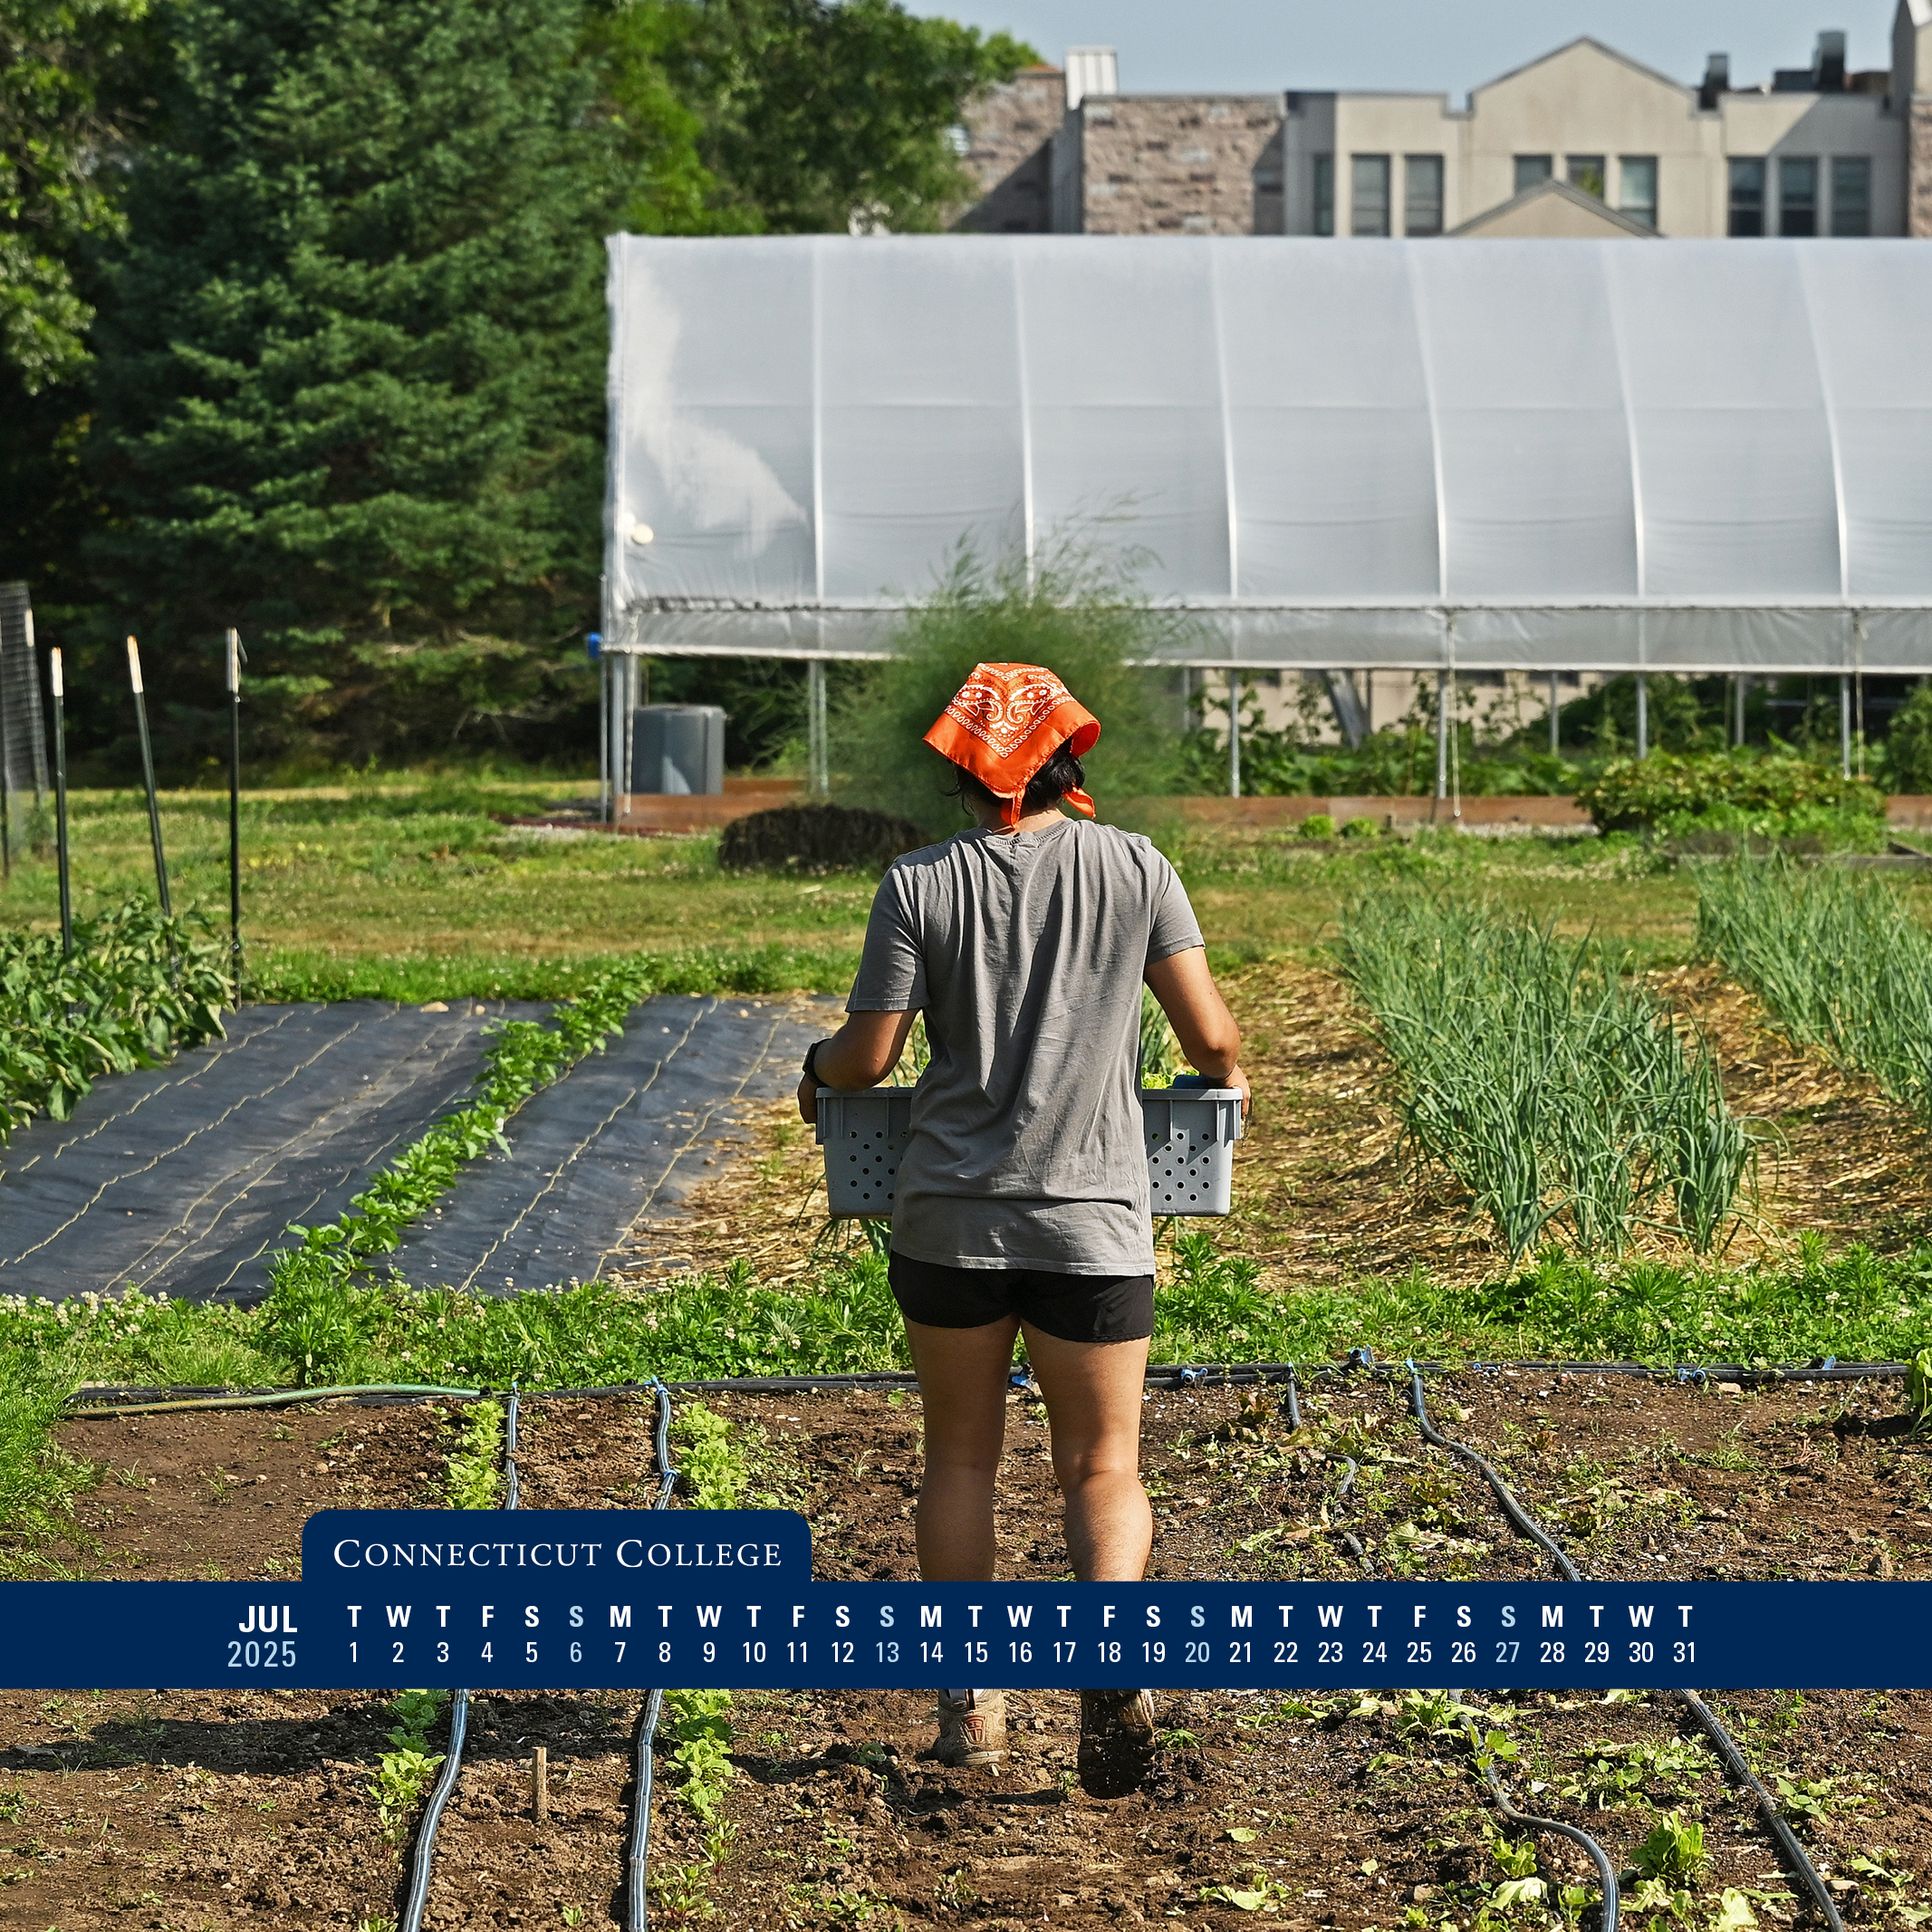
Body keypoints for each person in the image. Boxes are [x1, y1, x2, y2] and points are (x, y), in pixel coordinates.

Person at [795, 661, 1249, 1795]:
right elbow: (1212, 1043)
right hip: (1094, 1223)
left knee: (959, 1459)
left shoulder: (918, 883)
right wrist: (1229, 1078)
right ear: (1068, 753)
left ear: (963, 761)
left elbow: (870, 1058)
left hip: (948, 1221)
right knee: (1102, 1466)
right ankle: (1111, 1667)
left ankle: (973, 1713)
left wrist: (815, 1070)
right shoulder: (1136, 866)